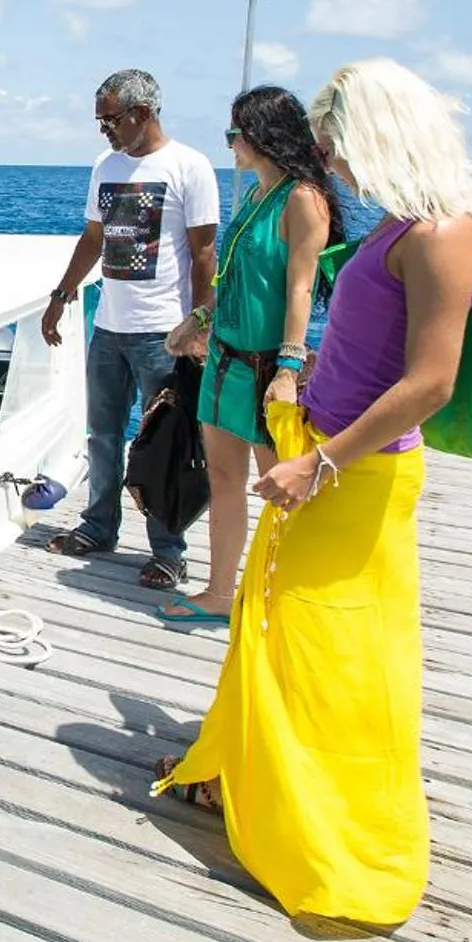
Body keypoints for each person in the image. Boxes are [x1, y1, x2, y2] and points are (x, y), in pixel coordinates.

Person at [155, 58, 472, 928]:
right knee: (277, 622)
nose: (328, 157)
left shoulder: (445, 232)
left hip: (356, 473)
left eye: (336, 140)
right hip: (327, 450)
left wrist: (319, 460)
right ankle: (252, 778)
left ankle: (325, 823)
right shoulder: (404, 222)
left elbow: (431, 383)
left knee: (329, 645)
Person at [156, 85, 342, 626]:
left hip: (263, 368)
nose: (230, 144)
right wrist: (197, 320)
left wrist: (287, 367)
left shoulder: (303, 198)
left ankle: (281, 599)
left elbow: (300, 289)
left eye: (235, 133)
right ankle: (219, 593)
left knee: (278, 489)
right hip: (221, 360)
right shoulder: (257, 193)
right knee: (223, 479)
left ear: (262, 135)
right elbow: (232, 276)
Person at [38, 69, 220, 588]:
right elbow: (93, 238)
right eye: (100, 120)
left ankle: (168, 549)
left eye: (111, 119)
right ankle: (99, 526)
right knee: (102, 434)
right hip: (109, 328)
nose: (105, 131)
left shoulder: (189, 167)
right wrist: (61, 295)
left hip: (163, 333)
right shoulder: (105, 166)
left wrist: (198, 324)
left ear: (143, 113)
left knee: (162, 441)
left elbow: (205, 254)